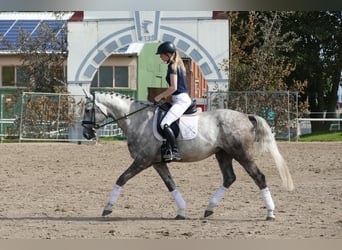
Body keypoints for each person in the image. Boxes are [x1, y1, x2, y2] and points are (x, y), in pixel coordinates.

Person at [155, 41, 192, 161]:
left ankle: (174, 151)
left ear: (168, 54)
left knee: (164, 123)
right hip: (177, 99)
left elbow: (173, 87)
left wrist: (160, 96)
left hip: (181, 100)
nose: (160, 57)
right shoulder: (177, 65)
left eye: (161, 55)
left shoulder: (172, 67)